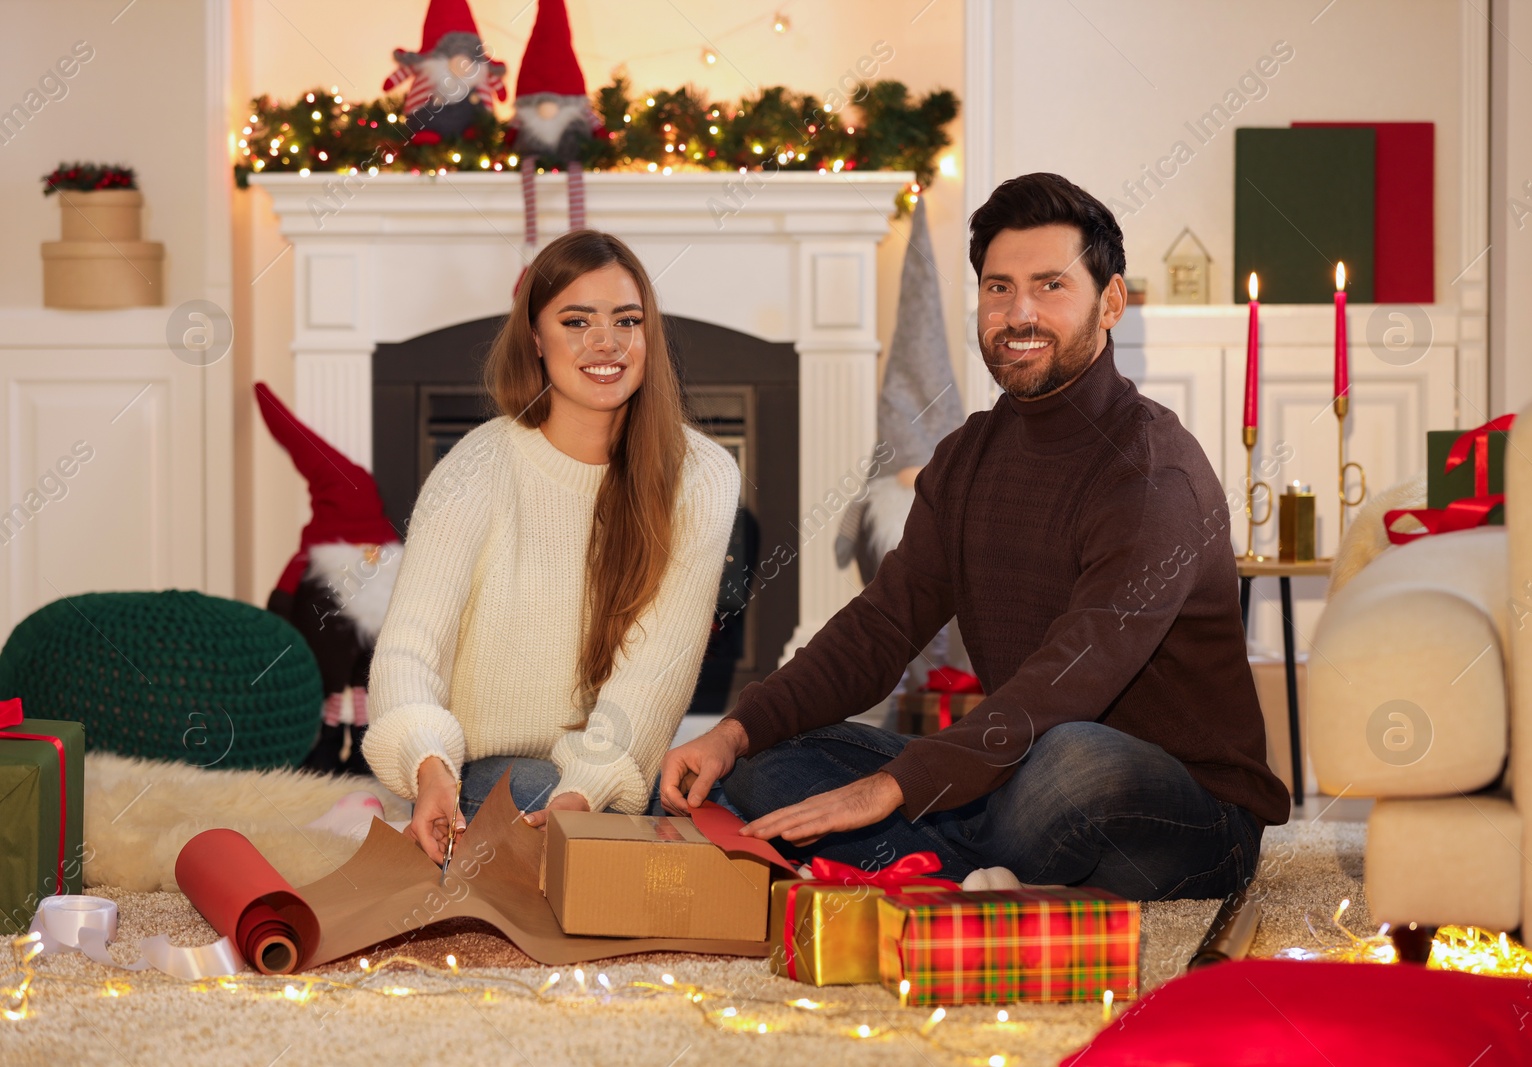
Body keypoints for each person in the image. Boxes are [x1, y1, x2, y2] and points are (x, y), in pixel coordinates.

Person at [660, 172, 1289, 900]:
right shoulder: (968, 456)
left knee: (1073, 757)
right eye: (998, 288)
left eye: (1051, 285)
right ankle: (969, 871)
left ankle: (918, 859)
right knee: (770, 760)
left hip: (1182, 813)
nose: (1019, 312)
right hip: (1013, 770)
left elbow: (1067, 680)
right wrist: (735, 731)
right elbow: (880, 627)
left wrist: (897, 786)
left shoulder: (1152, 473)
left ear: (1110, 301)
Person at [363, 229, 740, 862]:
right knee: (572, 814)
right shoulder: (478, 465)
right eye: (576, 321)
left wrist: (584, 794)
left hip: (611, 775)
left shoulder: (702, 475)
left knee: (758, 790)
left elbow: (654, 677)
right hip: (484, 772)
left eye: (627, 320)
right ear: (535, 339)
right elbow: (408, 651)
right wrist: (429, 767)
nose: (606, 342)